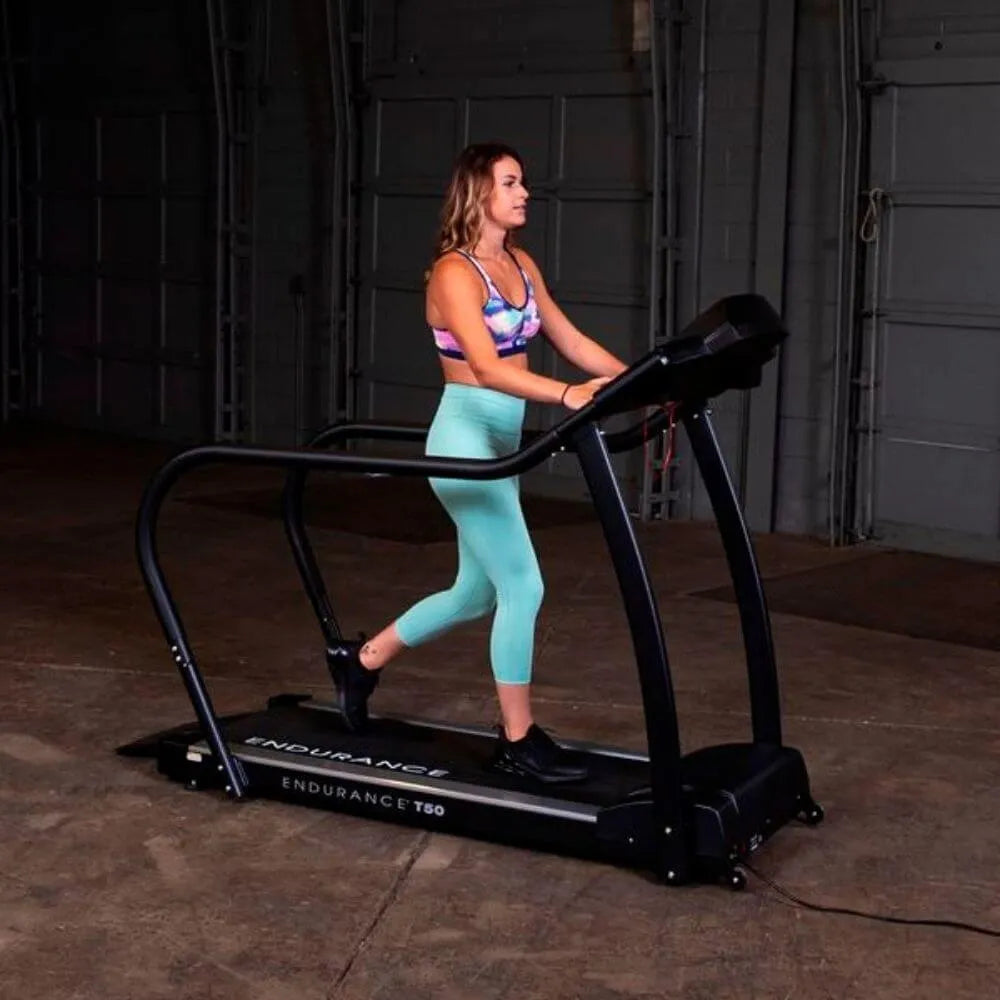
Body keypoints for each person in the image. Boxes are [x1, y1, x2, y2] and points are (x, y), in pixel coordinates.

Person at [328, 142, 627, 783]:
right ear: (479, 193)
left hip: (503, 443)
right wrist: (569, 395)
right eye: (511, 183)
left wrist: (640, 382)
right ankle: (518, 740)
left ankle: (363, 660)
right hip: (462, 438)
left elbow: (569, 338)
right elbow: (487, 368)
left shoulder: (520, 263)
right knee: (524, 586)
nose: (524, 194)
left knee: (474, 591)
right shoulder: (454, 273)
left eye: (523, 182)